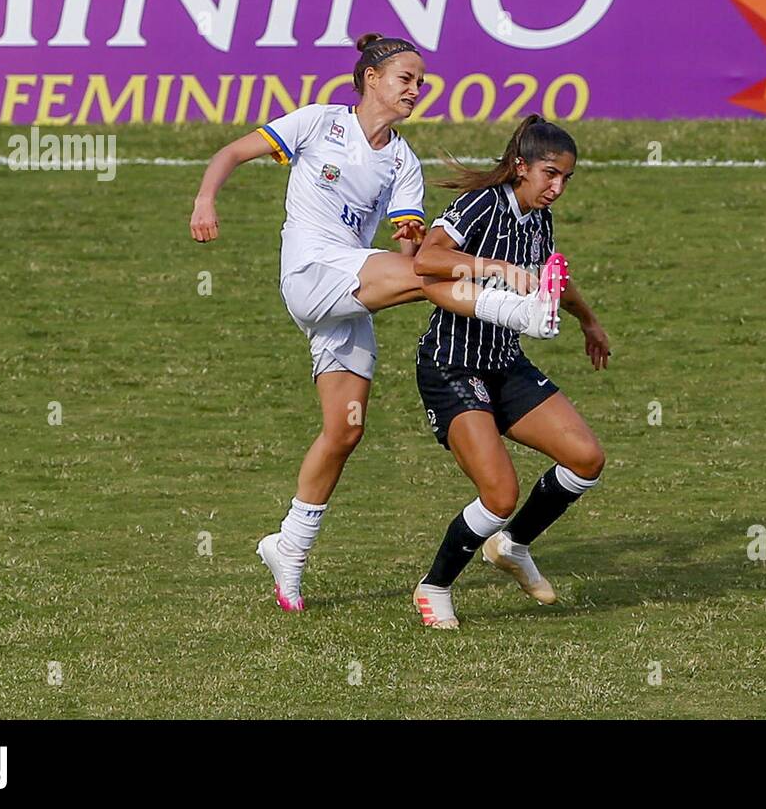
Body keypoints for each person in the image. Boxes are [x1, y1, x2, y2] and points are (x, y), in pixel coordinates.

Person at [188, 35, 565, 612]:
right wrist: (206, 201)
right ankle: (521, 309)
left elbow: (411, 235)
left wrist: (411, 234)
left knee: (345, 429)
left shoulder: (402, 161)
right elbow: (230, 154)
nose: (416, 90)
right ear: (371, 79)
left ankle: (288, 545)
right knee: (425, 275)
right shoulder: (318, 123)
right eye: (406, 79)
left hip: (351, 294)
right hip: (313, 272)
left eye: (421, 82)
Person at [408, 115, 611, 629]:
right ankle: (434, 586)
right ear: (520, 167)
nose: (557, 187)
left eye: (565, 178)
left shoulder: (539, 219)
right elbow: (427, 261)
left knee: (586, 459)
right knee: (499, 493)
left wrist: (588, 320)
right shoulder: (482, 203)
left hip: (504, 362)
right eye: (550, 174)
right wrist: (494, 268)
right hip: (452, 365)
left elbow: (547, 279)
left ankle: (513, 545)